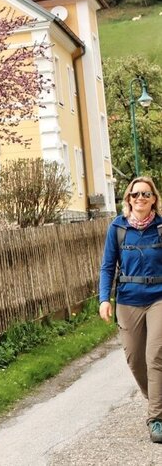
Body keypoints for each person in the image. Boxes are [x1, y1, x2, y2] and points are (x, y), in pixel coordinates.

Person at [100, 176, 162, 442]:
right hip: (127, 300)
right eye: (135, 195)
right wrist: (105, 298)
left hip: (159, 297)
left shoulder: (161, 227)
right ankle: (157, 401)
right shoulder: (118, 227)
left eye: (146, 195)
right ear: (128, 199)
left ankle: (156, 417)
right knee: (135, 361)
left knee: (155, 357)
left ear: (154, 200)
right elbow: (107, 266)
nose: (140, 199)